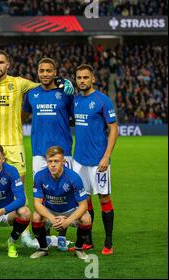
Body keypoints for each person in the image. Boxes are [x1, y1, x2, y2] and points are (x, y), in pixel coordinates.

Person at [0, 50, 73, 247]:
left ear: (8, 65)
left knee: (20, 190)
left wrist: (61, 81)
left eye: (1, 62)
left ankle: (24, 234)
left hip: (15, 144)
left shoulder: (19, 83)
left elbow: (44, 84)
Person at [22, 57, 74, 248]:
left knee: (63, 194)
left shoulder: (66, 93)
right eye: (42, 71)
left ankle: (61, 235)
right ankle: (46, 237)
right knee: (42, 195)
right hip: (39, 152)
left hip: (63, 151)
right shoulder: (32, 94)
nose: (45, 74)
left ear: (55, 72)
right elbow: (23, 114)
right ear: (38, 72)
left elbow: (75, 116)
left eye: (48, 71)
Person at [72, 64, 118, 255]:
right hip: (79, 160)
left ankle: (108, 241)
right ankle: (87, 240)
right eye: (79, 77)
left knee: (104, 198)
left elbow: (114, 129)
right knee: (84, 200)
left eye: (85, 77)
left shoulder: (102, 100)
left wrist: (106, 156)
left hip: (99, 161)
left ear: (93, 79)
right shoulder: (74, 101)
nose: (82, 80)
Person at [30, 146, 92, 260]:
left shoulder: (74, 177)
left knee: (87, 219)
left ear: (63, 162)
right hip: (51, 211)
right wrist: (52, 218)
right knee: (35, 217)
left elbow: (84, 205)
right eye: (50, 161)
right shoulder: (39, 176)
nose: (53, 165)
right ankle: (43, 249)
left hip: (70, 211)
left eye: (56, 161)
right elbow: (37, 204)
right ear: (47, 161)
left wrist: (68, 221)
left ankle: (79, 248)